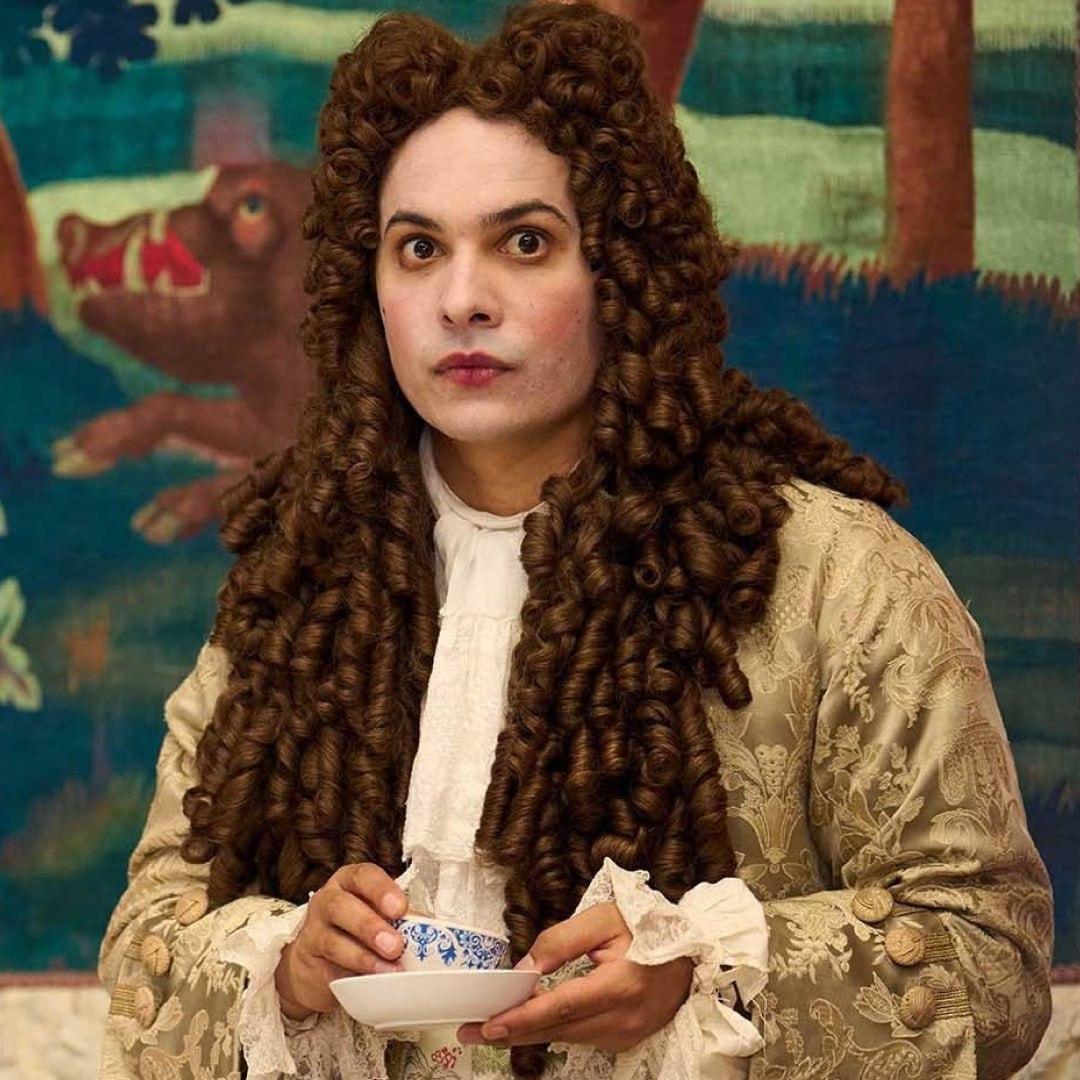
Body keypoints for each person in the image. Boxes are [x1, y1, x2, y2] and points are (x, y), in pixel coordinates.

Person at [97, 3, 1053, 1079]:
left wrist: (706, 976)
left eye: (525, 242)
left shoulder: (838, 578)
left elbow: (995, 964)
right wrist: (290, 970)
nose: (463, 300)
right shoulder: (301, 582)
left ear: (621, 270)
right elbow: (145, 955)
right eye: (418, 249)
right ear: (369, 287)